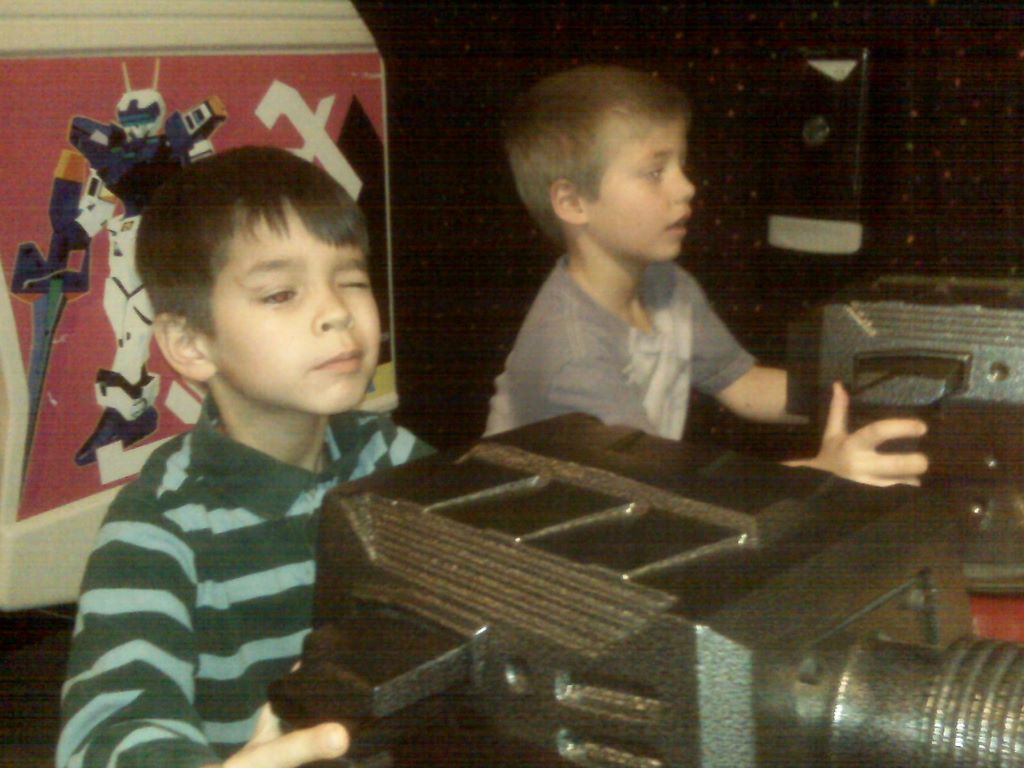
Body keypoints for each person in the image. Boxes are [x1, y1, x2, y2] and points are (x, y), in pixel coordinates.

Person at [57, 146, 434, 768]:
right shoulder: (157, 527)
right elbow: (106, 728)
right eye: (282, 293)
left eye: (352, 281)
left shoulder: (395, 457)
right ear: (190, 343)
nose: (337, 312)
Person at [485, 64, 928, 487]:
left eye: (681, 165)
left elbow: (743, 385)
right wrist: (820, 473)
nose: (686, 187)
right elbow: (659, 492)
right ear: (573, 202)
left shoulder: (667, 285)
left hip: (629, 505)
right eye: (655, 172)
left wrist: (874, 395)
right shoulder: (573, 353)